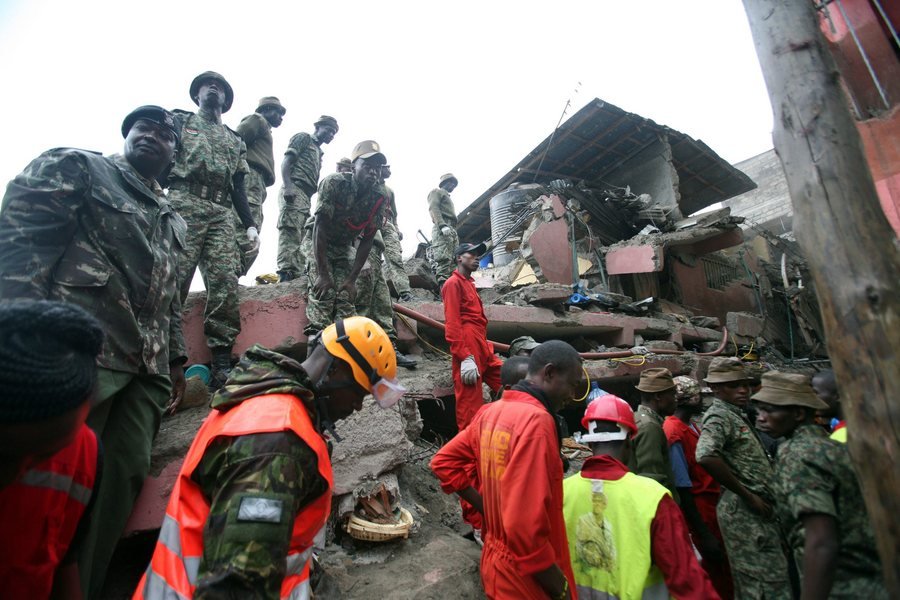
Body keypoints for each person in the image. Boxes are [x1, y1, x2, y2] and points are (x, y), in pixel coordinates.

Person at [0, 104, 188, 598]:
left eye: (165, 134)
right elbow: (23, 238)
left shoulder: (175, 220)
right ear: (126, 135)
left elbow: (170, 297)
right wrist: (18, 330)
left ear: (174, 155)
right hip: (83, 353)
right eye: (142, 127)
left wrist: (175, 359)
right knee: (40, 473)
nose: (151, 135)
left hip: (145, 373)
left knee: (114, 487)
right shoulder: (80, 167)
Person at [135, 317, 405, 599]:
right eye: (358, 393)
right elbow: (236, 588)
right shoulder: (276, 443)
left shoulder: (267, 396)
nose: (358, 407)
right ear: (335, 369)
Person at [431, 340, 583, 600]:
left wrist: (489, 509)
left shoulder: (490, 412)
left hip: (495, 560)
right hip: (526, 576)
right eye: (572, 385)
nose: (572, 396)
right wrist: (562, 588)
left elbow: (442, 462)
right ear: (549, 373)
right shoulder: (537, 422)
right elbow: (526, 533)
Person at [563, 393, 719, 599]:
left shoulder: (562, 492)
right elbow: (688, 581)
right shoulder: (653, 497)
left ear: (590, 444)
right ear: (630, 441)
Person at [0, 301, 104, 599]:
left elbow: (64, 561)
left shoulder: (84, 455)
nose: (17, 471)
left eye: (46, 455)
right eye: (5, 454)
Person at [754, 371, 886, 599]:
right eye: (759, 410)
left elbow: (821, 540)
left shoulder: (800, 456)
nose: (761, 418)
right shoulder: (825, 444)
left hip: (842, 585)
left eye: (771, 410)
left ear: (797, 413)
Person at [168, 71, 259, 389]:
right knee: (173, 278)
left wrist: (249, 224)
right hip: (183, 202)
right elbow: (161, 159)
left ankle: (222, 362)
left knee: (223, 282)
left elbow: (238, 186)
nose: (213, 87)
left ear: (227, 99)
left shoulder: (235, 140)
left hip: (221, 212)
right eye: (207, 84)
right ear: (196, 95)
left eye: (220, 86)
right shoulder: (179, 122)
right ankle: (169, 361)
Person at [696, 357, 791, 599]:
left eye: (745, 385)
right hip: (745, 511)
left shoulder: (735, 414)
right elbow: (705, 455)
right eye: (734, 385)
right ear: (716, 389)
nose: (743, 390)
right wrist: (747, 495)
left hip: (756, 509)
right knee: (761, 584)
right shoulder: (719, 416)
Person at [305, 140, 389, 340]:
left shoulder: (379, 196)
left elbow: (368, 239)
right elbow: (320, 227)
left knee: (346, 299)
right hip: (318, 241)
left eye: (377, 169)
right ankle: (316, 357)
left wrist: (351, 279)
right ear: (353, 167)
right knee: (323, 293)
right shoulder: (334, 183)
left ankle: (343, 358)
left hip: (344, 247)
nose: (373, 173)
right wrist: (323, 273)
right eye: (367, 167)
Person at [663, 376, 732, 599]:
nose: (702, 399)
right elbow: (683, 485)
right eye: (698, 396)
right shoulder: (674, 431)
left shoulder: (690, 425)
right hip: (700, 508)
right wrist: (702, 532)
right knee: (711, 573)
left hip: (712, 504)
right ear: (688, 399)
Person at [441, 242, 503, 431]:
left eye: (478, 255)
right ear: (459, 258)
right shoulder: (453, 283)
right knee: (470, 406)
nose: (477, 258)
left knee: (512, 382)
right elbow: (452, 323)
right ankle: (470, 456)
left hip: (481, 343)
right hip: (468, 344)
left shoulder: (469, 284)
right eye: (471, 254)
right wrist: (464, 357)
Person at [277, 115, 339, 283]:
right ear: (318, 127)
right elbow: (286, 162)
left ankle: (296, 271)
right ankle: (286, 272)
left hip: (306, 195)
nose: (331, 135)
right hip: (294, 188)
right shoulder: (304, 138)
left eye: (334, 133)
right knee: (290, 229)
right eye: (329, 130)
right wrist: (288, 186)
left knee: (303, 233)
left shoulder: (319, 151)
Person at [235, 96, 286, 274]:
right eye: (278, 112)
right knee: (247, 227)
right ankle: (230, 274)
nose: (281, 117)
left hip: (257, 181)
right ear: (266, 109)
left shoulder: (264, 127)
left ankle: (232, 274)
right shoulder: (258, 120)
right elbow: (235, 141)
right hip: (250, 176)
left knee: (253, 226)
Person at [354, 229, 417, 368]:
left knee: (384, 306)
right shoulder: (363, 207)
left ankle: (390, 350)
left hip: (376, 253)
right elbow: (356, 224)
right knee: (362, 306)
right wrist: (361, 259)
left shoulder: (380, 211)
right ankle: (359, 354)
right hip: (363, 250)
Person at [628, 367, 679, 497]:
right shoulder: (650, 427)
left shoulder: (638, 418)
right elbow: (652, 479)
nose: (675, 399)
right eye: (672, 394)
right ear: (658, 396)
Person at [380, 164, 414, 302]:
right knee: (371, 260)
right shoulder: (367, 184)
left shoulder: (389, 191)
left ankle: (405, 292)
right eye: (385, 167)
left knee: (395, 259)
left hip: (387, 225)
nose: (389, 170)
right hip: (370, 223)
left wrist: (396, 228)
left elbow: (394, 213)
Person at [428, 172, 460, 284]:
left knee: (454, 262)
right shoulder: (437, 192)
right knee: (444, 260)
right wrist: (442, 225)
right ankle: (444, 293)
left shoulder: (447, 196)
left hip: (451, 229)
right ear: (444, 183)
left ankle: (453, 294)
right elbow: (434, 208)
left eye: (454, 184)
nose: (453, 186)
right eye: (451, 183)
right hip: (443, 228)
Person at [811, 370, 845, 442]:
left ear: (839, 396)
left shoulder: (842, 435)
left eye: (815, 393)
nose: (811, 398)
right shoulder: (837, 425)